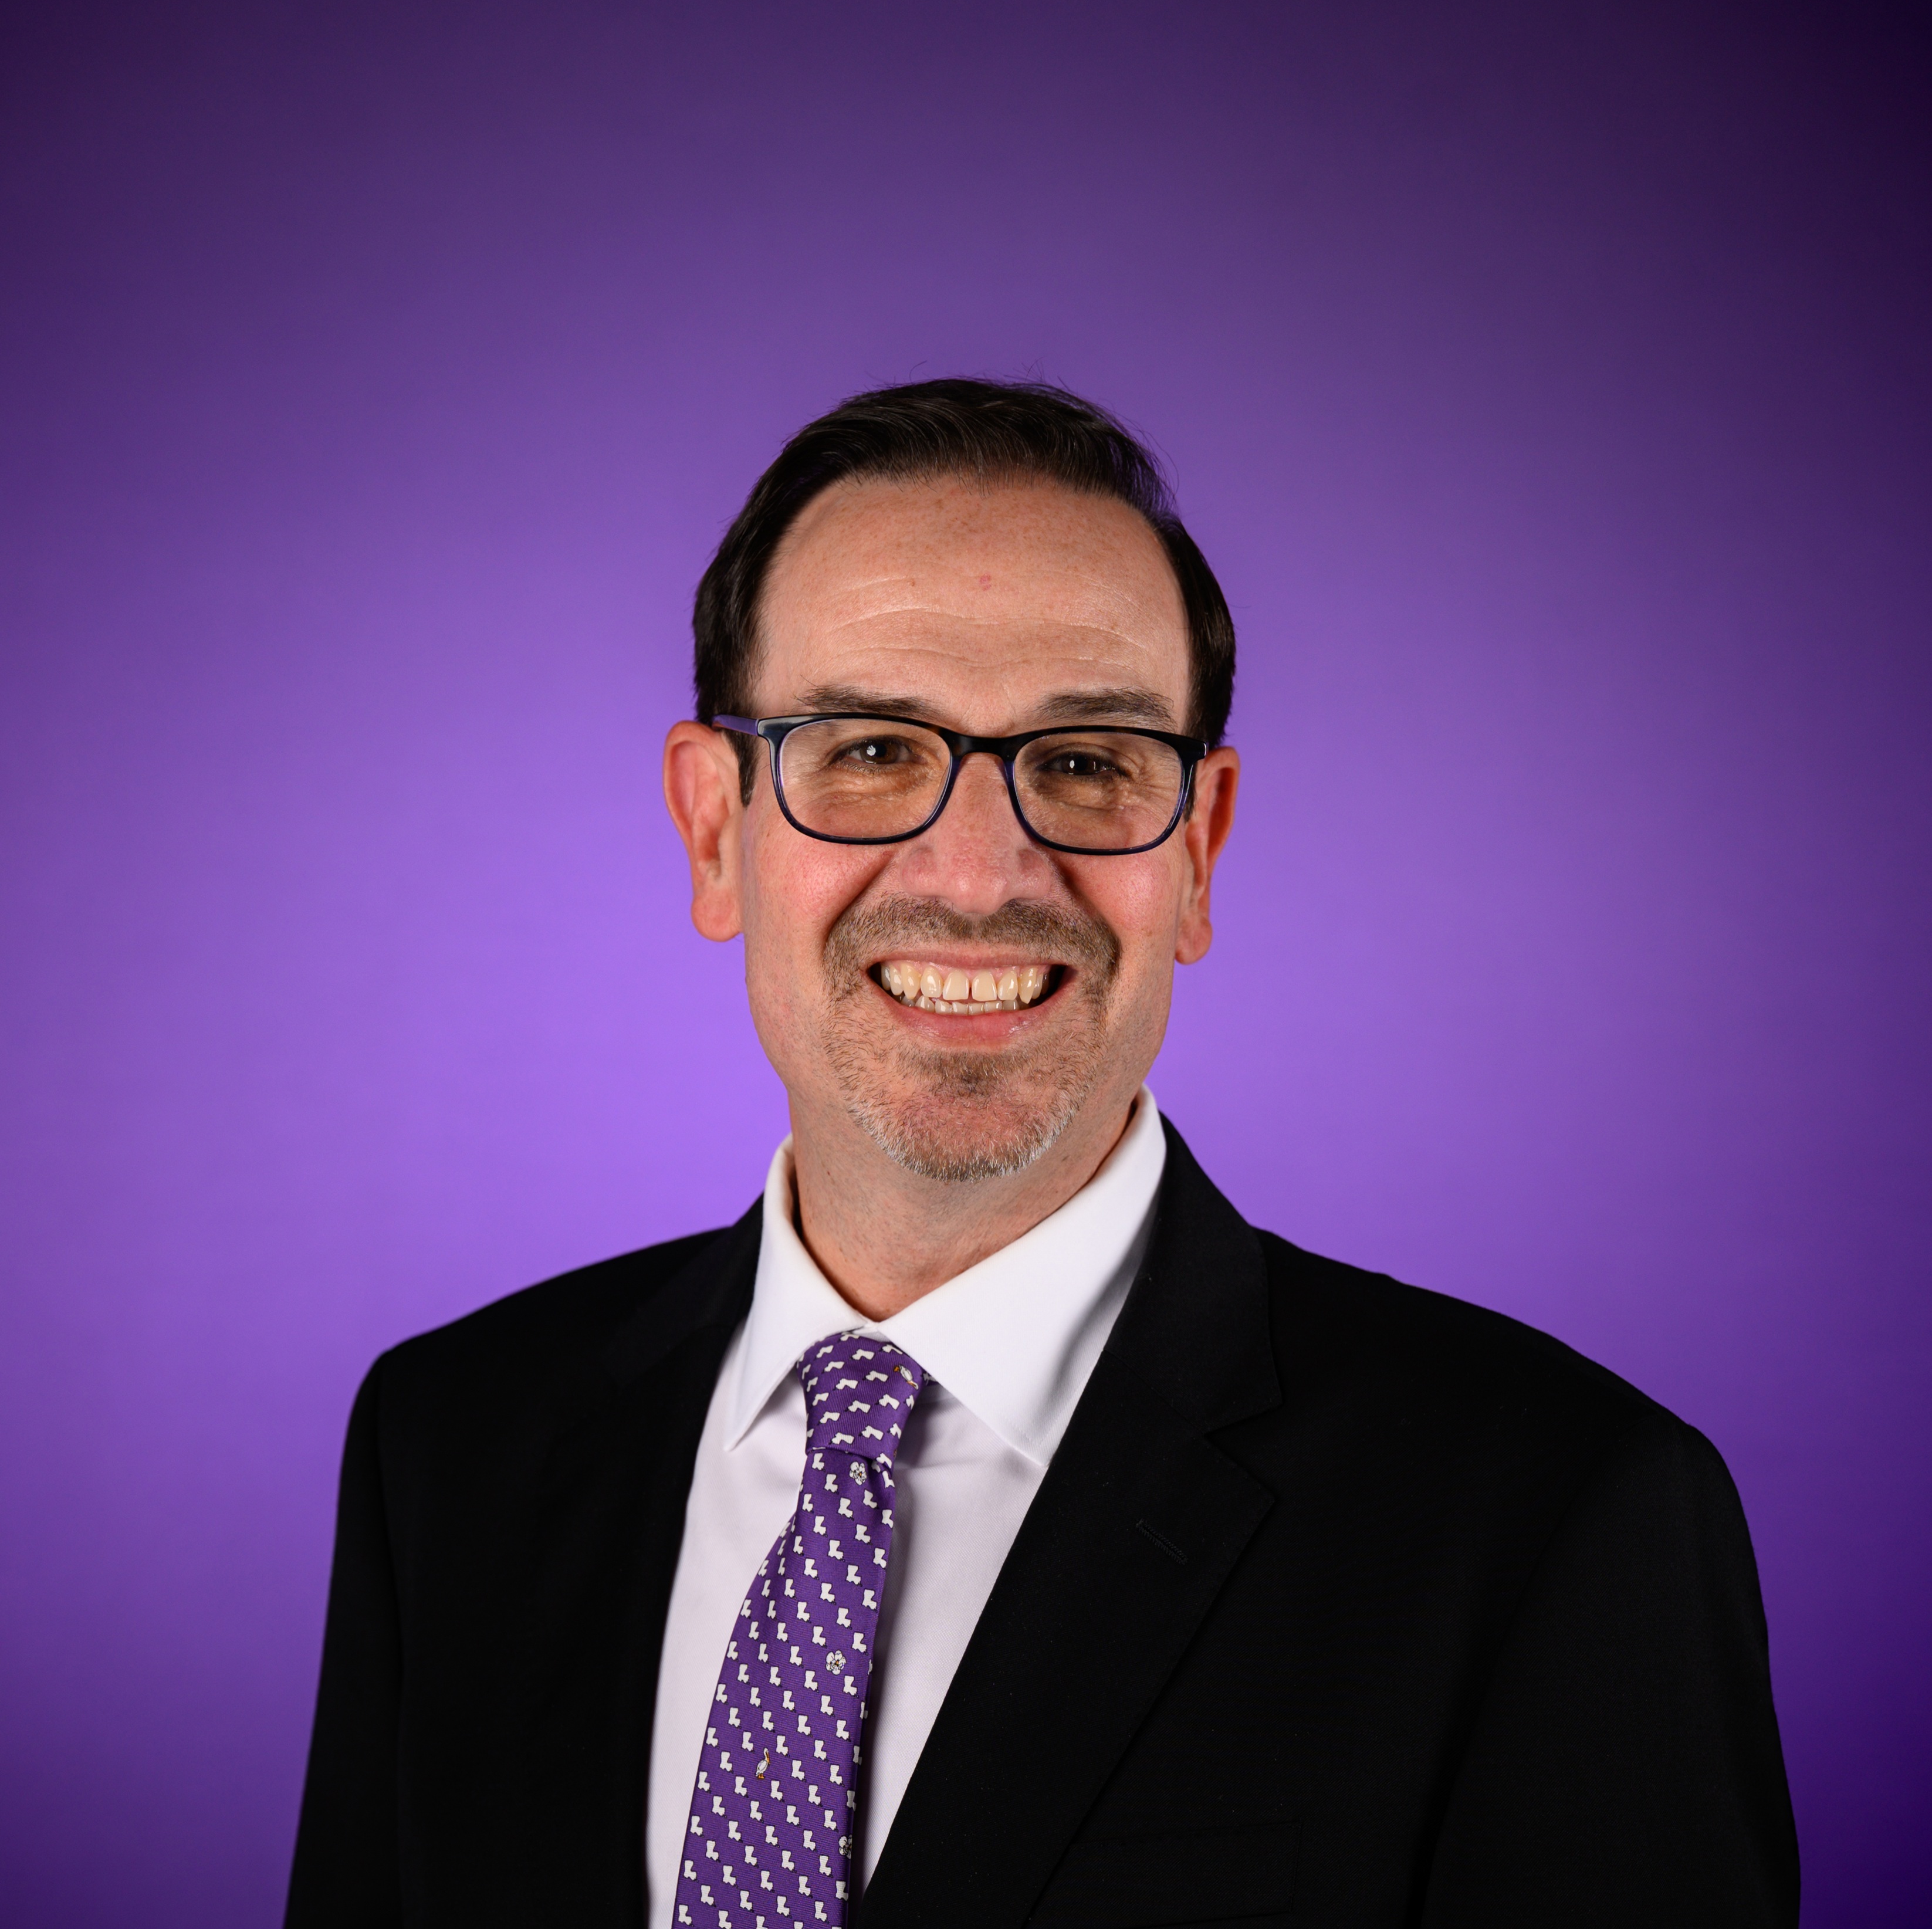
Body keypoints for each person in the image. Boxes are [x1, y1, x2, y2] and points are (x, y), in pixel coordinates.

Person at [286, 379, 1799, 1928]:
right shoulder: (452, 1446)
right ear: (712, 828)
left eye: (1086, 763)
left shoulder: (1558, 1523)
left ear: (1197, 851)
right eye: (869, 748)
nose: (981, 873)